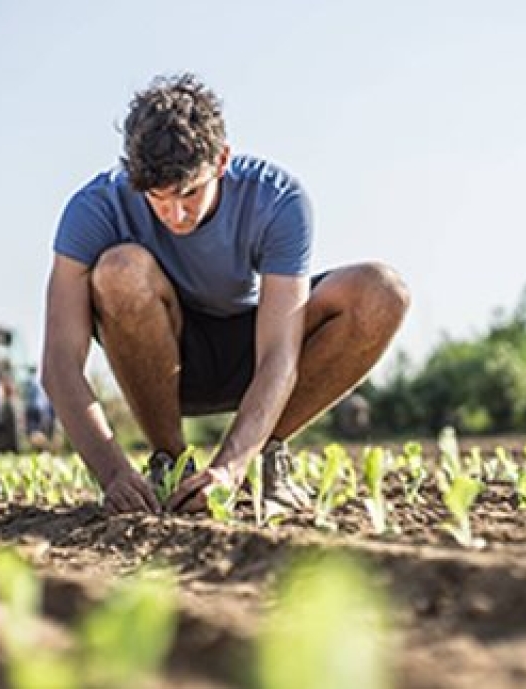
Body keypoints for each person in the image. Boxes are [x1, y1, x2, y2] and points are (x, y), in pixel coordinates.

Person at [41, 73, 409, 515]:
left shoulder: (278, 199)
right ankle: (170, 464)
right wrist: (113, 472)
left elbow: (278, 353)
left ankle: (265, 454)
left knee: (380, 291)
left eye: (189, 193)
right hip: (162, 359)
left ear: (221, 161)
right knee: (121, 269)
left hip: (253, 353)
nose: (176, 214)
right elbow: (59, 364)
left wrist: (231, 466)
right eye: (158, 198)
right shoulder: (93, 208)